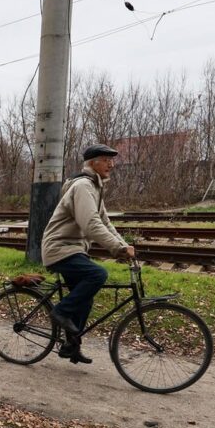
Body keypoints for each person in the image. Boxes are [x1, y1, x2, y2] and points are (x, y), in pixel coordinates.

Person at [40, 144, 136, 364]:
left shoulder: (95, 187)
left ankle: (70, 346)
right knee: (97, 275)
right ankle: (60, 312)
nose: (111, 165)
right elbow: (91, 223)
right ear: (93, 163)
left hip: (73, 248)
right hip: (59, 248)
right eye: (106, 160)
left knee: (85, 300)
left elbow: (104, 222)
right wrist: (117, 248)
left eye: (112, 161)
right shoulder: (84, 186)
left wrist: (123, 245)